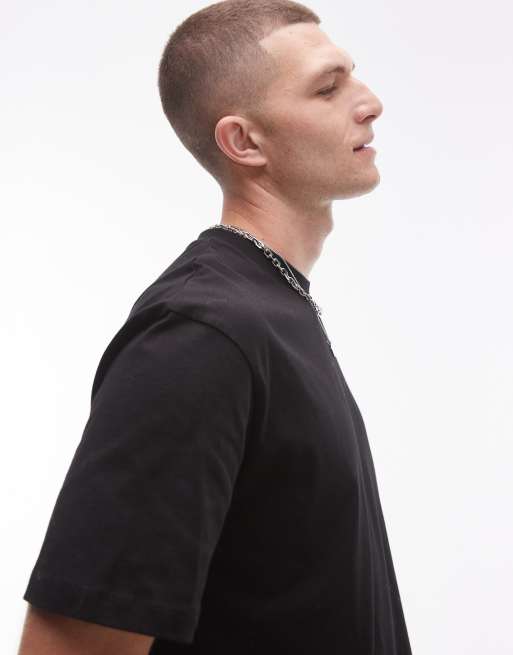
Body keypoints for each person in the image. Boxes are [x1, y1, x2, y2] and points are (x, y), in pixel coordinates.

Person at [18, 1, 413, 654]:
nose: (369, 102)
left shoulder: (272, 308)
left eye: (352, 75)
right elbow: (68, 645)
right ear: (244, 142)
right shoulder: (203, 332)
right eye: (327, 87)